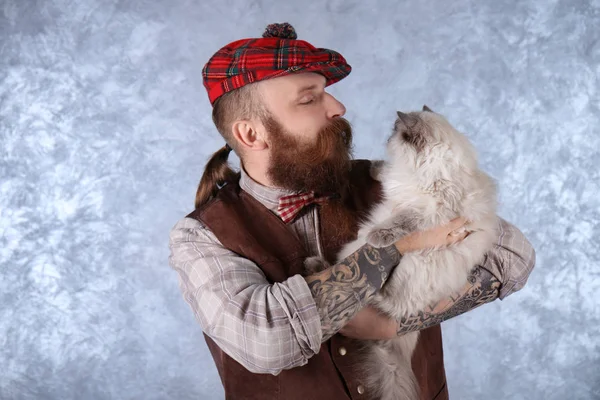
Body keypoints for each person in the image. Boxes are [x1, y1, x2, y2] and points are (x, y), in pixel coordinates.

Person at [168, 22, 536, 400]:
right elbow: (270, 337)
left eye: (326, 92)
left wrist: (391, 324)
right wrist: (392, 249)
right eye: (309, 99)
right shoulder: (200, 237)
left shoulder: (387, 180)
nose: (338, 107)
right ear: (251, 134)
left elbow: (512, 256)